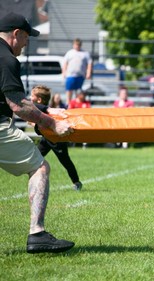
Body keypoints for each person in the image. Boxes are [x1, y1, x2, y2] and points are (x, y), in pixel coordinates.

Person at [0, 12, 75, 253]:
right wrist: (51, 124)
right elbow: (17, 104)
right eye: (25, 38)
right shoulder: (7, 59)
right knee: (39, 167)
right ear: (16, 34)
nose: (25, 43)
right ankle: (37, 233)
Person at [30, 85, 83, 191]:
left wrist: (33, 124)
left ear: (39, 100)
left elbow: (40, 127)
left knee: (65, 161)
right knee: (34, 159)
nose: (30, 98)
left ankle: (76, 182)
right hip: (46, 139)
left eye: (32, 96)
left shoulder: (44, 111)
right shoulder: (40, 109)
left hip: (57, 141)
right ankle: (33, 181)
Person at [62, 38, 92, 104]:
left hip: (80, 75)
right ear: (73, 45)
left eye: (78, 45)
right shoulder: (69, 53)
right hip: (70, 75)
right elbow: (65, 63)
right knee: (69, 90)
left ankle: (76, 105)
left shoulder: (85, 53)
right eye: (76, 45)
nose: (77, 46)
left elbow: (89, 63)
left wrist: (88, 73)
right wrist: (64, 72)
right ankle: (68, 104)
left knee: (78, 91)